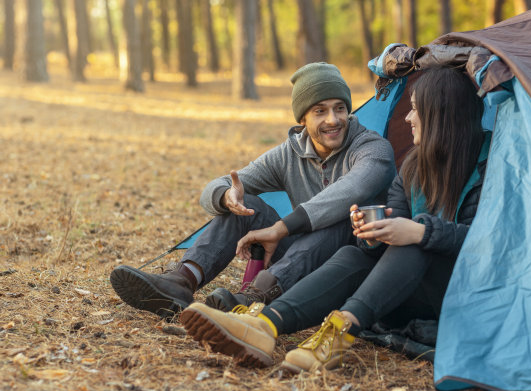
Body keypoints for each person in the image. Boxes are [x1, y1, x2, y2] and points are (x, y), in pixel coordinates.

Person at [178, 66, 490, 372]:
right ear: (302, 119)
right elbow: (387, 241)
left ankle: (338, 333)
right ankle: (263, 324)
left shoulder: (488, 168)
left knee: (411, 244)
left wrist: (420, 233)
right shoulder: (413, 167)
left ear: (441, 114)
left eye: (415, 110)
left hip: (461, 295)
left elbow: (493, 244)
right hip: (399, 295)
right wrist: (371, 236)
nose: (408, 118)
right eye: (319, 111)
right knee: (355, 253)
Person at [110, 62, 396, 318]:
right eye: (320, 111)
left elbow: (349, 190)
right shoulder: (289, 154)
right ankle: (181, 281)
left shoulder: (373, 149)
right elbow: (217, 186)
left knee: (341, 218)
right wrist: (226, 197)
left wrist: (280, 229)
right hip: (299, 263)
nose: (333, 119)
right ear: (303, 120)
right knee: (245, 203)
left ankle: (254, 300)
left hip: (353, 268)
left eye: (340, 108)